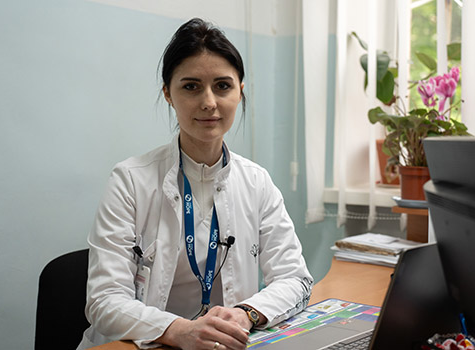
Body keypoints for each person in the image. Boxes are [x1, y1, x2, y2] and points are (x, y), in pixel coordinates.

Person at [77, 18, 313, 350]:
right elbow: (104, 301)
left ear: (240, 91)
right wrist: (179, 330)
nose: (209, 102)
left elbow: (294, 278)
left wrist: (247, 314)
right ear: (168, 94)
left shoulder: (256, 182)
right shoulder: (131, 180)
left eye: (222, 86)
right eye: (191, 86)